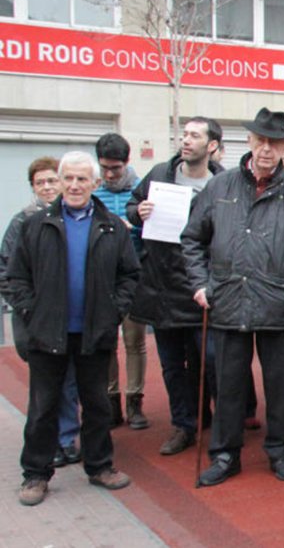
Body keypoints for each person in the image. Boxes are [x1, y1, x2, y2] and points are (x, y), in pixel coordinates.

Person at [182, 107, 284, 486]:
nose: (266, 149)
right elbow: (192, 239)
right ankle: (225, 454)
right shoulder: (220, 186)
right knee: (227, 384)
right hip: (228, 298)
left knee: (281, 385)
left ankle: (280, 450)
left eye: (275, 142)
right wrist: (200, 284)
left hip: (279, 300)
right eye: (260, 140)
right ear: (248, 142)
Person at [4, 151, 140, 506]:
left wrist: (114, 311)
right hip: (47, 332)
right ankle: (35, 473)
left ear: (95, 183)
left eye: (83, 179)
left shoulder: (111, 226)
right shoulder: (35, 225)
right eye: (69, 178)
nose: (75, 185)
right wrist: (31, 311)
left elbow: (130, 275)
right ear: (60, 181)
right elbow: (15, 276)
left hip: (95, 332)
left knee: (96, 404)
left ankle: (99, 466)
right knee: (43, 406)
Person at [127, 117, 223, 456]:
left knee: (211, 359)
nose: (186, 141)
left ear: (211, 145)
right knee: (171, 365)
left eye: (195, 136)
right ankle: (184, 425)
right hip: (162, 288)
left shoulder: (223, 183)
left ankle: (214, 418)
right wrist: (139, 211)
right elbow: (132, 207)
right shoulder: (158, 174)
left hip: (203, 289)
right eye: (184, 134)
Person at [0, 158, 82, 468]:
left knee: (71, 381)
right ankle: (48, 446)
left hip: (72, 321)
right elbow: (6, 272)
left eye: (52, 181)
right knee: (46, 387)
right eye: (40, 183)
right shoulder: (22, 222)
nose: (47, 187)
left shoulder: (79, 218)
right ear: (33, 187)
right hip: (37, 323)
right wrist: (30, 309)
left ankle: (67, 438)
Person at [93, 132, 146, 430]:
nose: (110, 174)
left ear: (127, 162)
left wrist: (134, 228)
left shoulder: (141, 190)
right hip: (100, 280)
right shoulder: (92, 191)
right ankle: (111, 400)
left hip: (133, 275)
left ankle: (135, 401)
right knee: (106, 342)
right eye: (105, 168)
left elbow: (155, 230)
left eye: (115, 168)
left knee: (134, 341)